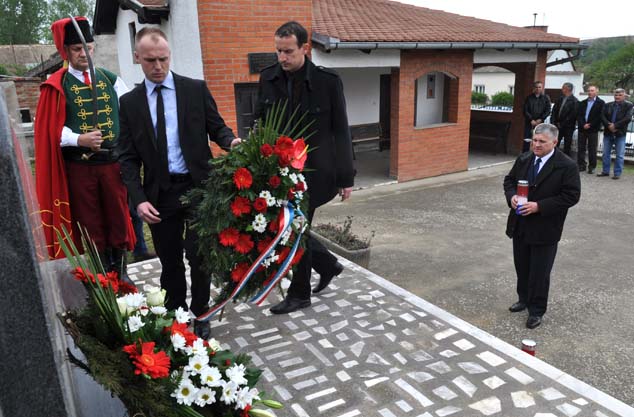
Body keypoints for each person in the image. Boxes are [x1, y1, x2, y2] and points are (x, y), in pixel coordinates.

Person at [117, 27, 241, 339]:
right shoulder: (129, 103)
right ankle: (176, 314)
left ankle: (201, 311)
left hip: (199, 188)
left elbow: (217, 127)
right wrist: (138, 198)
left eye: (163, 58)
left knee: (199, 257)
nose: (158, 66)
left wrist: (231, 142)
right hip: (160, 194)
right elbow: (127, 157)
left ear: (169, 55)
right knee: (169, 260)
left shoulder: (194, 90)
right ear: (137, 58)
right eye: (150, 60)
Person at [254, 21, 355, 314]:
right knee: (290, 227)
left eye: (288, 51)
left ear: (305, 48)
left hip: (315, 174)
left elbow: (341, 130)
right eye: (278, 51)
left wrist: (346, 176)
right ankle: (328, 264)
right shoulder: (268, 78)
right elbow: (259, 122)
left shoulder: (327, 82)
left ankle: (300, 294)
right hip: (278, 172)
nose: (282, 57)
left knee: (295, 228)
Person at [34, 17, 135, 283]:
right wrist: (80, 139)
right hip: (80, 167)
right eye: (77, 49)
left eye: (88, 47)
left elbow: (132, 114)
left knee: (118, 216)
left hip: (112, 164)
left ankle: (121, 272)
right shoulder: (58, 85)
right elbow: (50, 130)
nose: (84, 53)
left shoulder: (110, 80)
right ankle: (101, 277)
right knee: (90, 221)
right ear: (65, 51)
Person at [503, 123, 580, 329]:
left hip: (545, 228)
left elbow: (571, 196)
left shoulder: (567, 166)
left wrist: (539, 206)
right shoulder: (524, 159)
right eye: (534, 140)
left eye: (542, 142)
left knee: (540, 272)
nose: (536, 145)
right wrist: (512, 197)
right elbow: (509, 181)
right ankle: (523, 299)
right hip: (520, 223)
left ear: (554, 142)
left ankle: (536, 310)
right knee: (522, 266)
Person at [598, 88, 634, 180]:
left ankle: (617, 173)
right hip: (608, 132)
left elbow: (628, 118)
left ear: (624, 96)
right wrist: (608, 125)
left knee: (619, 155)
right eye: (616, 95)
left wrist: (615, 126)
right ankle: (605, 171)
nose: (617, 97)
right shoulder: (608, 105)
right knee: (605, 153)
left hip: (620, 133)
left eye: (620, 95)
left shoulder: (629, 105)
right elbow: (602, 116)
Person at [576, 85, 604, 174]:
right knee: (581, 148)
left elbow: (600, 116)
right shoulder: (583, 103)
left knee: (592, 149)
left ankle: (592, 166)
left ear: (596, 91)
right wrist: (583, 124)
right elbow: (579, 115)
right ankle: (581, 165)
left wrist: (590, 124)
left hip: (593, 129)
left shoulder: (601, 103)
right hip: (582, 128)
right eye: (588, 90)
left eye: (592, 90)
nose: (590, 92)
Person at [550, 82, 578, 156]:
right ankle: (553, 157)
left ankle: (565, 160)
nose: (562, 89)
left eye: (563, 88)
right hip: (557, 125)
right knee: (555, 143)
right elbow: (554, 111)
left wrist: (562, 124)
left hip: (568, 127)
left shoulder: (575, 101)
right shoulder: (560, 98)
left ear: (568, 89)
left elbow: (572, 115)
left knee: (567, 145)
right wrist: (553, 122)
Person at [522, 81, 551, 152]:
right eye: (536, 87)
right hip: (529, 122)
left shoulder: (546, 98)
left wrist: (541, 119)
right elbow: (525, 110)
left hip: (540, 123)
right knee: (527, 139)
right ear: (534, 88)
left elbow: (548, 110)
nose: (538, 89)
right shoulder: (529, 98)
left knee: (539, 140)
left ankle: (537, 153)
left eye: (539, 87)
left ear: (542, 88)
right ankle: (525, 154)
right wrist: (531, 119)